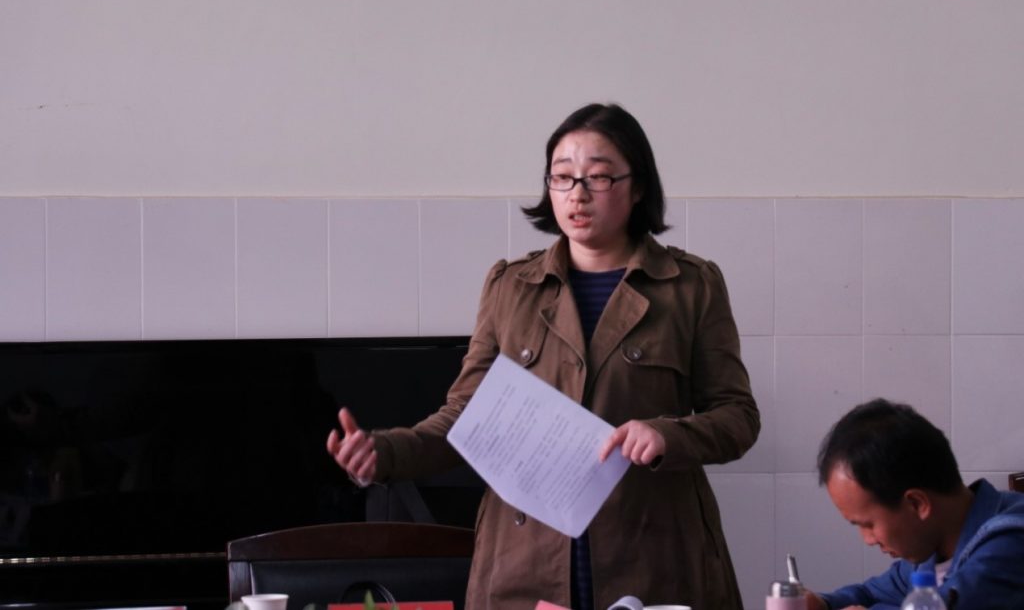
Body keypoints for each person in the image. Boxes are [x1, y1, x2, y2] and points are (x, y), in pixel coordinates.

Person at [326, 103, 760, 610]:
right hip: (525, 559)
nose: (577, 193)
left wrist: (668, 434)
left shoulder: (690, 286)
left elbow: (738, 416)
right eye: (562, 177)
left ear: (638, 186)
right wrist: (384, 453)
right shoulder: (511, 286)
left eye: (598, 177)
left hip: (654, 555)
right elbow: (465, 418)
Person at [808, 399, 1024, 610]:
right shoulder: (930, 548)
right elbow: (870, 594)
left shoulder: (1009, 546)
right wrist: (822, 603)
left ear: (917, 504)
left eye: (868, 524)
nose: (868, 540)